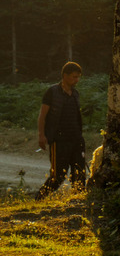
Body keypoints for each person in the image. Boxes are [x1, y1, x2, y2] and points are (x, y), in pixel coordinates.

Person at [35, 61, 86, 200]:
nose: (77, 80)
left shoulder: (75, 94)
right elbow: (42, 116)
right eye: (74, 77)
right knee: (58, 176)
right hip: (59, 141)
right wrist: (41, 135)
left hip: (76, 139)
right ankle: (39, 199)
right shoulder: (52, 92)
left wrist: (80, 138)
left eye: (78, 77)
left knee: (79, 174)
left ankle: (78, 202)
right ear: (65, 75)